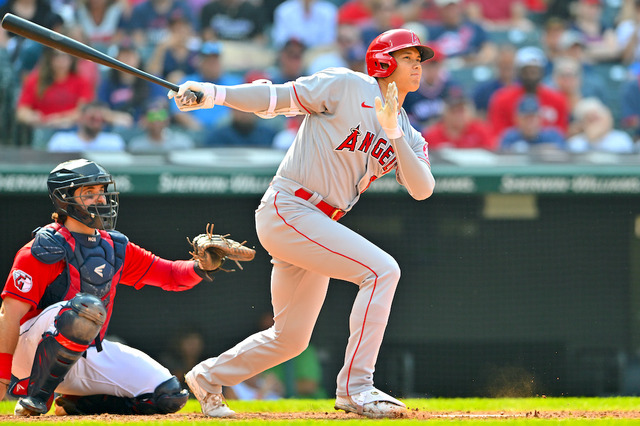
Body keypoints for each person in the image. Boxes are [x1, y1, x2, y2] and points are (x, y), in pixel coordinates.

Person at [168, 28, 436, 418]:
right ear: (384, 61)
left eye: (419, 60)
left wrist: (393, 130)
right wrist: (214, 93)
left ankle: (209, 376)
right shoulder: (345, 86)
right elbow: (275, 97)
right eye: (409, 58)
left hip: (317, 224)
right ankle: (356, 386)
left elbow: (422, 189)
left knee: (290, 339)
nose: (417, 66)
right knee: (382, 271)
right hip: (291, 207)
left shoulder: (407, 132)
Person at [0, 158, 254, 416]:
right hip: (30, 353)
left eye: (102, 192)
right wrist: (2, 378)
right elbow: (8, 315)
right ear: (64, 199)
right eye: (89, 193)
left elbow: (170, 275)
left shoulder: (113, 246)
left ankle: (76, 404)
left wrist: (202, 266)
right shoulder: (43, 247)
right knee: (86, 307)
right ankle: (37, 397)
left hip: (86, 353)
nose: (100, 199)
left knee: (169, 395)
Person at [487, 46, 570, 142]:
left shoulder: (557, 99)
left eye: (535, 70)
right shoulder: (502, 99)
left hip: (548, 152)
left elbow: (561, 133)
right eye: (527, 70)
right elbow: (498, 134)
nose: (531, 74)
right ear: (519, 71)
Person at [422, 88, 494, 150]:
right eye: (453, 111)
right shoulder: (431, 135)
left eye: (461, 111)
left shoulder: (481, 131)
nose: (458, 116)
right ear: (444, 113)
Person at [46, 101, 127, 152]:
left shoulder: (113, 142)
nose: (97, 121)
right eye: (92, 118)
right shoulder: (61, 141)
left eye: (100, 119)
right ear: (81, 118)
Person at [499, 94, 567, 153]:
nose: (529, 122)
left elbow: (562, 151)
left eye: (532, 118)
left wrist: (531, 150)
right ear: (517, 119)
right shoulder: (510, 137)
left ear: (540, 118)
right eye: (526, 118)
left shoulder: (552, 135)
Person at [567, 97, 635, 153]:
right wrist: (591, 140)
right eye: (591, 119)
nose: (596, 123)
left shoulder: (622, 139)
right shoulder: (575, 143)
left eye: (597, 117)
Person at [128, 99, 195, 152]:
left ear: (167, 119)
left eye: (161, 115)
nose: (156, 121)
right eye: (152, 116)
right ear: (144, 120)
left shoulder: (182, 143)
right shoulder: (137, 146)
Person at [271, 0, 338, 49]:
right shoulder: (284, 10)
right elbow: (280, 41)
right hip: (293, 54)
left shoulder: (329, 11)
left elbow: (329, 42)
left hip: (319, 55)